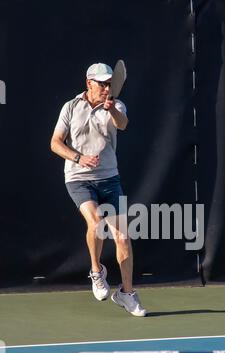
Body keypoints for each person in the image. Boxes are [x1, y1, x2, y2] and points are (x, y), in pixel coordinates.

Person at [50, 62, 146, 317]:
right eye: (101, 83)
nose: (106, 87)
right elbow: (55, 143)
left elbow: (123, 124)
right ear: (89, 83)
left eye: (109, 83)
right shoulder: (70, 107)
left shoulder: (116, 104)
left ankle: (126, 293)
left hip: (109, 179)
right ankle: (96, 270)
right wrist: (78, 157)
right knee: (96, 223)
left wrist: (112, 110)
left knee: (123, 237)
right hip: (78, 178)